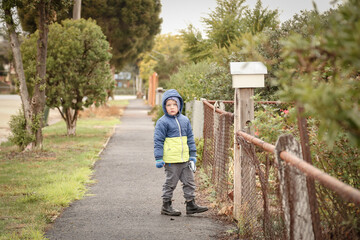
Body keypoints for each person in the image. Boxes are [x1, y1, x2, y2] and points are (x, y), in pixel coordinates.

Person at [153, 89, 208, 216]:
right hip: (171, 160)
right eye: (168, 105)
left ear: (179, 105)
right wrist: (159, 158)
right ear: (164, 106)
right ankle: (166, 205)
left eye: (174, 104)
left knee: (189, 182)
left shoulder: (185, 120)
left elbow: (190, 138)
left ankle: (191, 204)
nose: (172, 107)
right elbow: (158, 141)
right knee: (170, 183)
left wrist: (193, 155)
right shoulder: (162, 122)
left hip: (185, 159)